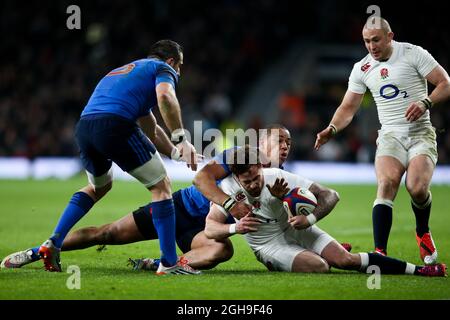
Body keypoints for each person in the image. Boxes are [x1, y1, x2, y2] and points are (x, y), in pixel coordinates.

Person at [5, 125, 335, 271]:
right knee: (107, 234)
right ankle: (38, 251)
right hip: (176, 209)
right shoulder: (240, 155)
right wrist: (230, 203)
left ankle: (162, 265)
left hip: (203, 229)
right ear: (262, 145)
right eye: (279, 142)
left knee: (222, 250)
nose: (285, 148)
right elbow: (202, 177)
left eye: (288, 144)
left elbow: (283, 222)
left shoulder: (279, 178)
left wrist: (307, 232)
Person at [30, 39, 199, 275]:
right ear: (171, 61)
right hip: (115, 125)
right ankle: (169, 263)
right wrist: (182, 139)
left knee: (98, 187)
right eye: (179, 65)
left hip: (86, 127)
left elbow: (151, 129)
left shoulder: (126, 72)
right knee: (161, 187)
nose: (178, 71)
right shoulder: (163, 69)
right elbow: (166, 98)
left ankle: (53, 242)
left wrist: (174, 151)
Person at [314, 17, 450, 263]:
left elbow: (445, 83)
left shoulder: (413, 53)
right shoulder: (362, 68)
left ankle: (422, 232)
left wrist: (425, 102)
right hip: (390, 136)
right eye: (366, 41)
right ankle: (379, 254)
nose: (371, 46)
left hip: (420, 133)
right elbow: (348, 107)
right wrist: (331, 129)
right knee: (387, 183)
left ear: (390, 36)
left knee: (417, 189)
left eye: (376, 40)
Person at [204, 146, 447, 277]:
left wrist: (308, 216)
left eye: (256, 177)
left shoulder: (276, 177)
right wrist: (236, 227)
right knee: (321, 267)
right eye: (247, 182)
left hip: (297, 230)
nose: (254, 184)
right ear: (236, 177)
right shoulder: (227, 189)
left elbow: (331, 195)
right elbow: (210, 229)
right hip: (269, 245)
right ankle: (284, 260)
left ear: (260, 167)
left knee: (346, 260)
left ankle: (419, 270)